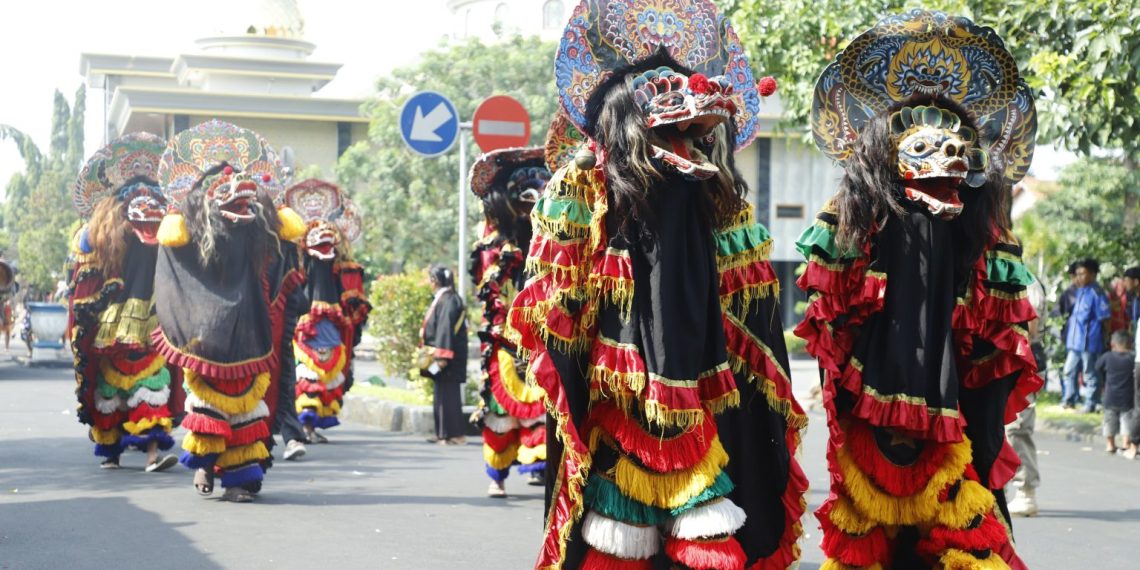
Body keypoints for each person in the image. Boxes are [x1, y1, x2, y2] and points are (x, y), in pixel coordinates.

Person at [508, 2, 806, 566]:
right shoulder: (583, 186)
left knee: (706, 526)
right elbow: (555, 306)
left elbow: (751, 312)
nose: (685, 142)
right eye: (670, 122)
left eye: (693, 132)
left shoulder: (717, 197)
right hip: (615, 405)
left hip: (704, 397)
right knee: (618, 533)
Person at [798, 10, 1040, 567]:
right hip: (873, 410)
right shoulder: (854, 222)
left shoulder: (982, 236)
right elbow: (833, 324)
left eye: (957, 149)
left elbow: (994, 346)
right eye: (926, 148)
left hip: (955, 417)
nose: (949, 157)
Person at [152, 120, 307, 502]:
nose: (240, 200)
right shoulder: (188, 234)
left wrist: (276, 211)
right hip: (204, 335)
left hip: (250, 330)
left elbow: (285, 250)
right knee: (208, 401)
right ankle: (205, 463)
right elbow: (172, 259)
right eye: (225, 192)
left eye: (245, 195)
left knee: (248, 405)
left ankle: (239, 479)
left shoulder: (259, 234)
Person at [68, 132, 178, 473]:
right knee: (113, 382)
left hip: (153, 313)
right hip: (115, 313)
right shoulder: (108, 225)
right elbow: (85, 250)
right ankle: (114, 451)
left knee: (152, 378)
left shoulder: (168, 222)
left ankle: (148, 453)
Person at [468, 147, 550, 498]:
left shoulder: (551, 239)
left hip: (542, 335)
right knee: (500, 411)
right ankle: (497, 476)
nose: (530, 207)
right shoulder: (495, 245)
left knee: (543, 406)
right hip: (504, 337)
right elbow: (487, 289)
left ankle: (539, 465)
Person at [283, 179, 371, 446]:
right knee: (304, 374)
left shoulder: (341, 268)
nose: (323, 240)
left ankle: (310, 425)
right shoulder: (295, 267)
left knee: (327, 373)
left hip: (331, 326)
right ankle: (301, 424)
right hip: (304, 325)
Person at [1007, 275, 1047, 516]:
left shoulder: (1026, 280)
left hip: (1024, 358)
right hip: (1009, 357)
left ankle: (1026, 491)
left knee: (1017, 427)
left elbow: (1030, 326)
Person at [419, 264, 468, 446]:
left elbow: (445, 329)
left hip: (447, 356)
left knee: (449, 395)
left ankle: (454, 435)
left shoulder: (449, 300)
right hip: (441, 354)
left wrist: (442, 357)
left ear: (435, 281)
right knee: (441, 391)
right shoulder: (444, 298)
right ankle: (442, 433)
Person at [1061, 258, 1112, 411]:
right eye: (1078, 274)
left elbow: (1105, 318)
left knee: (1090, 373)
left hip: (1089, 341)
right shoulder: (1081, 291)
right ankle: (1069, 400)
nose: (1079, 277)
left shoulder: (1097, 293)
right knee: (1068, 371)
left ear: (1093, 274)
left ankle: (1091, 403)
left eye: (1083, 274)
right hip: (1074, 341)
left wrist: (1107, 338)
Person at [1097, 330, 1137, 458]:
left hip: (1110, 395)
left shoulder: (1107, 357)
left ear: (1112, 344)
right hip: (1128, 396)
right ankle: (1126, 443)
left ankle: (1110, 444)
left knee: (1109, 420)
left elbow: (1098, 367)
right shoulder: (1132, 357)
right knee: (1127, 420)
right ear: (1129, 344)